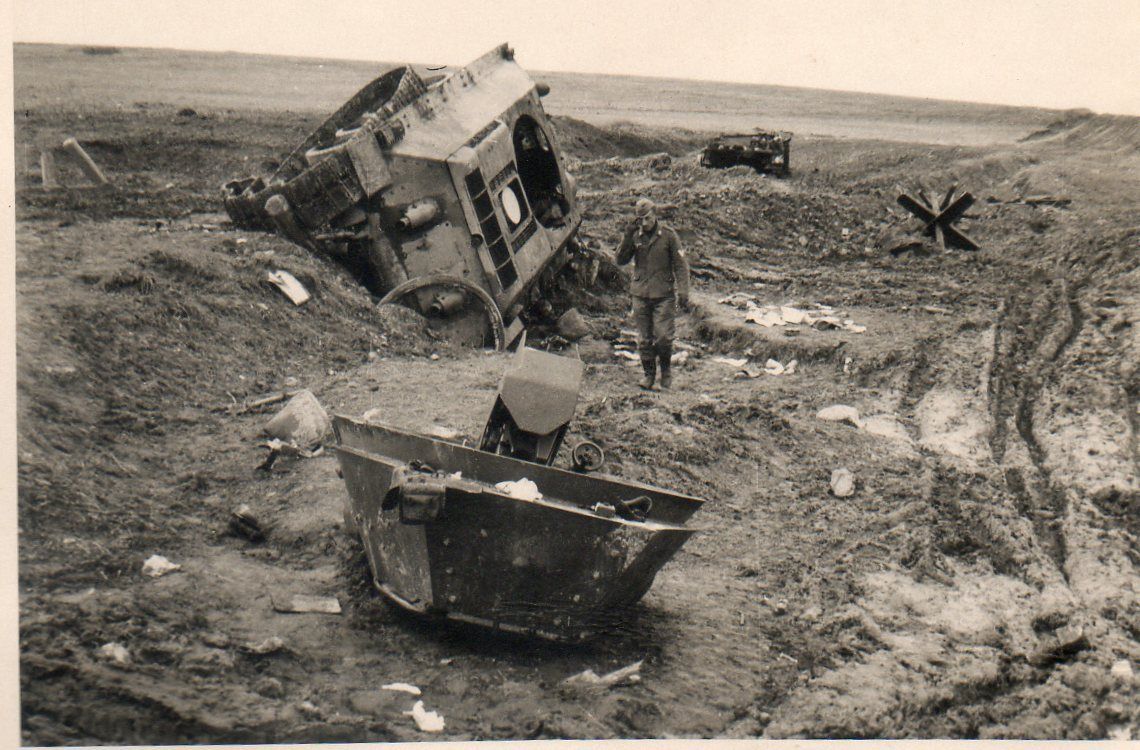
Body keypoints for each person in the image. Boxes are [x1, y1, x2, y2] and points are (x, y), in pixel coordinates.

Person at [615, 197, 690, 390]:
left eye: (648, 218)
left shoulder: (669, 236)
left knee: (664, 337)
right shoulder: (635, 235)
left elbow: (681, 265)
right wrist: (627, 235)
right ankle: (649, 375)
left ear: (655, 214)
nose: (645, 223)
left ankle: (665, 371)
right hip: (640, 294)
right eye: (641, 219)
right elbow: (620, 260)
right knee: (644, 339)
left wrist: (683, 291)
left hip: (663, 295)